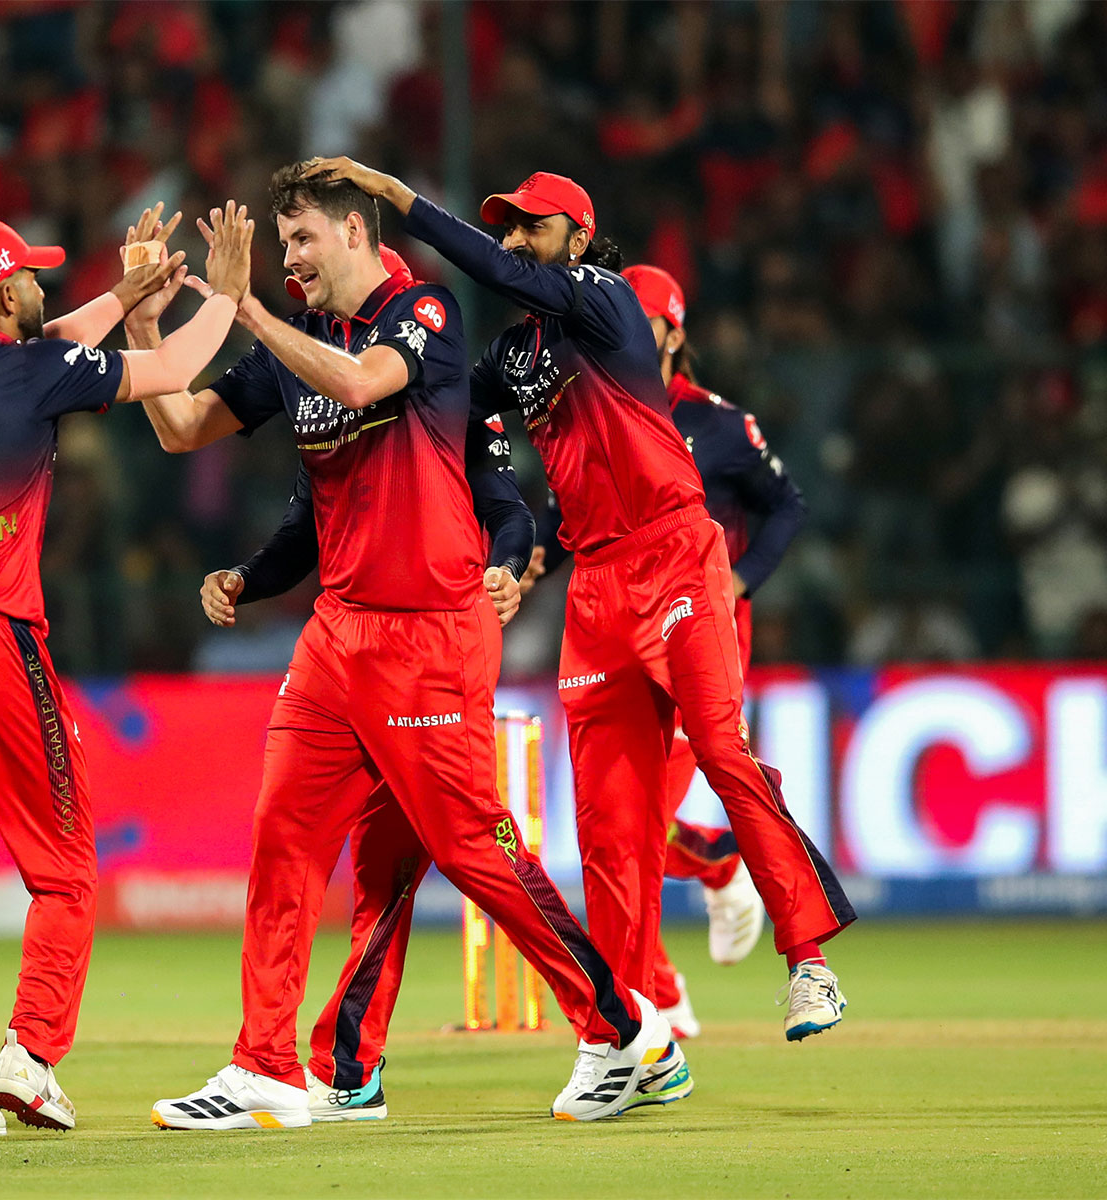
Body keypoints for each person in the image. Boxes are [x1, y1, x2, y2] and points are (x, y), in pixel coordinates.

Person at [136, 164, 671, 1132]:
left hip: (430, 631)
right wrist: (142, 320)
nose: (287, 258)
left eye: (300, 240)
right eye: (279, 243)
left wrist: (245, 306)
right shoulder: (294, 349)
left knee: (473, 845)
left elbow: (357, 381)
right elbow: (179, 427)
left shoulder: (419, 313)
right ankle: (263, 1064)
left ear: (353, 233)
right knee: (283, 839)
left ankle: (620, 1028)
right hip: (338, 632)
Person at [303, 158, 853, 1062]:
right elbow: (441, 404)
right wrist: (512, 552)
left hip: (677, 553)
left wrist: (395, 201)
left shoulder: (601, 301)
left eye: (533, 223)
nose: (518, 237)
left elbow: (502, 274)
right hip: (595, 587)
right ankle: (631, 1031)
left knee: (719, 745)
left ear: (581, 237)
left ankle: (807, 957)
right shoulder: (515, 356)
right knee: (609, 826)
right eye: (508, 224)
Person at [0, 203, 253, 1139]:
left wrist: (126, 293)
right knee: (65, 867)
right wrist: (233, 296)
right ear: (7, 291)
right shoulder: (35, 370)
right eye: (32, 274)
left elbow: (44, 346)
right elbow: (169, 368)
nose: (44, 283)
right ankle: (33, 1056)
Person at [524, 264, 809, 1039]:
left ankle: (653, 989)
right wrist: (531, 554)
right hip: (617, 617)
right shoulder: (590, 407)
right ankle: (681, 929)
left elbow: (785, 504)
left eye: (639, 322)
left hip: (697, 620)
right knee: (624, 822)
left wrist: (743, 582)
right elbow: (567, 511)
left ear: (672, 335)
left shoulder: (718, 423)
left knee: (642, 818)